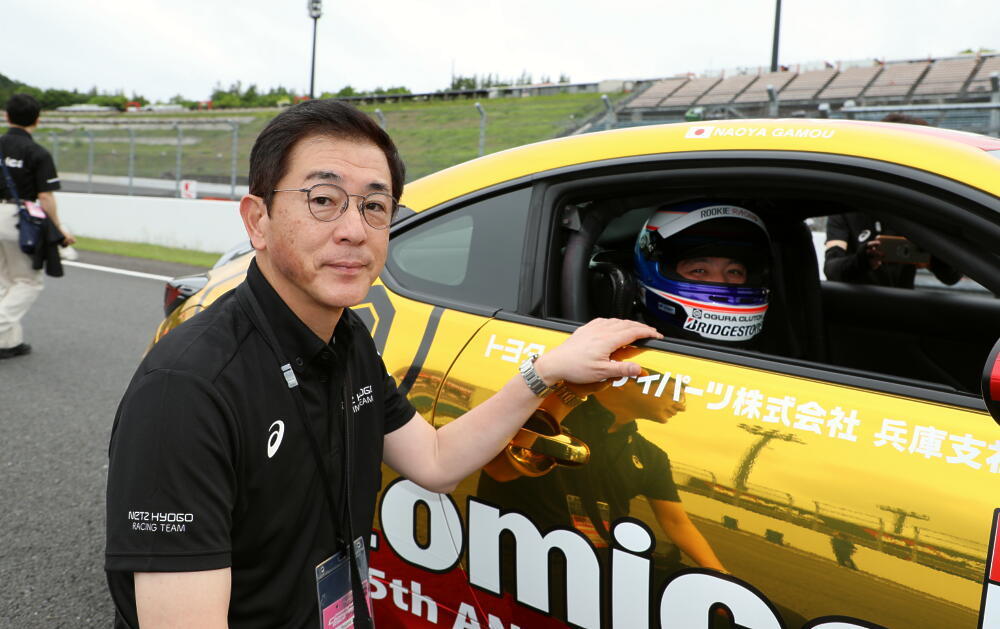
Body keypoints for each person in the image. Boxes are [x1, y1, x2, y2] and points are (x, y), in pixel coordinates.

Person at [104, 99, 659, 629]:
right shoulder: (186, 390)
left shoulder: (347, 338)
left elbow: (436, 460)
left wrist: (547, 370)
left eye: (374, 206)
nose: (354, 229)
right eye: (323, 199)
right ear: (258, 221)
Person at [823, 114, 961, 288]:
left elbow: (951, 276)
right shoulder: (848, 206)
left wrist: (929, 253)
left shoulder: (919, 209)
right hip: (857, 302)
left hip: (901, 302)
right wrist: (863, 260)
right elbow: (831, 269)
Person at [633, 200, 771, 347]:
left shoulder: (767, 352)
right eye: (699, 270)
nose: (720, 281)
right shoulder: (626, 351)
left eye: (734, 271)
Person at [0, 93, 74, 359]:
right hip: (17, 219)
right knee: (28, 282)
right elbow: (45, 197)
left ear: (6, 116)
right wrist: (59, 228)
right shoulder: (37, 153)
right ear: (37, 120)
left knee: (5, 279)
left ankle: (9, 343)